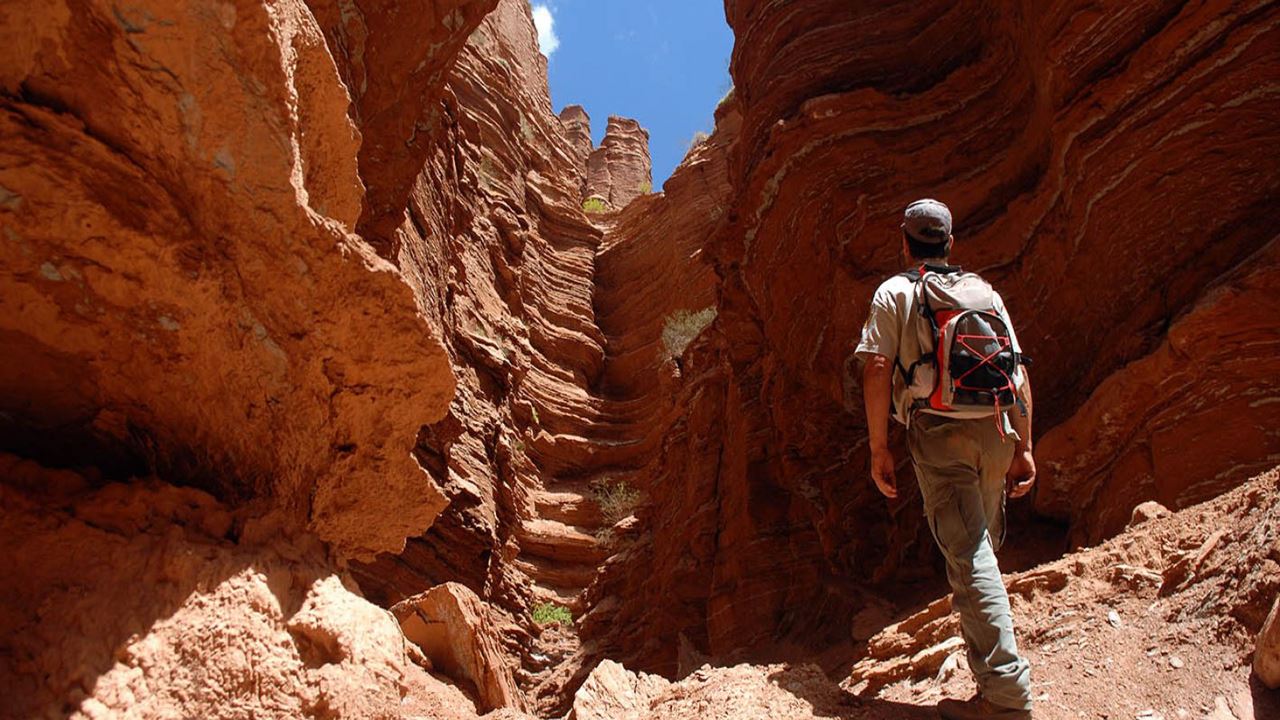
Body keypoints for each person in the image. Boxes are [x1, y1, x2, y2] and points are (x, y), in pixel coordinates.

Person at [855, 199, 1036, 719]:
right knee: (980, 546)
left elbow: (874, 368)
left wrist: (878, 447)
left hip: (940, 434)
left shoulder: (896, 291)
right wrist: (1024, 446)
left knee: (970, 554)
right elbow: (1019, 373)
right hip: (997, 431)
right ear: (950, 243)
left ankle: (1005, 699)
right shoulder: (985, 293)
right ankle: (993, 685)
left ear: (905, 243)